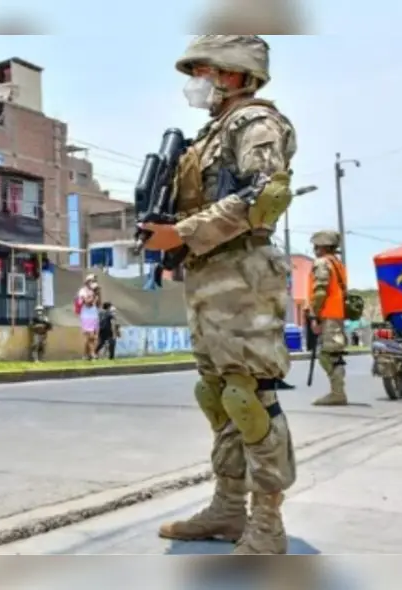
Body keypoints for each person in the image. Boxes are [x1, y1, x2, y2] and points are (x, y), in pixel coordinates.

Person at [141, 35, 298, 554]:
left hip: (244, 275)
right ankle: (229, 509)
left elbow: (265, 195)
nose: (197, 82)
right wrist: (172, 244)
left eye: (204, 71)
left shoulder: (256, 123)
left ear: (233, 74)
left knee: (249, 396)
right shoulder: (210, 132)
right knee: (218, 397)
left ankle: (267, 525)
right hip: (208, 275)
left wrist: (182, 234)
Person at [308, 230, 349, 406]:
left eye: (316, 246)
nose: (314, 249)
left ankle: (337, 393)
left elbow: (320, 291)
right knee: (334, 354)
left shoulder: (322, 263)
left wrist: (314, 315)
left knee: (328, 355)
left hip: (327, 314)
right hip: (337, 313)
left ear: (322, 247)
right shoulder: (337, 264)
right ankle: (337, 392)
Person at [78, 289, 100, 360]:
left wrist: (97, 295)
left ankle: (85, 355)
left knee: (91, 339)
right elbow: (87, 302)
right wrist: (91, 297)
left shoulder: (95, 302)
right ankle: (92, 353)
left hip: (94, 320)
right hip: (87, 320)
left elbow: (98, 302)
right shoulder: (84, 300)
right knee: (90, 337)